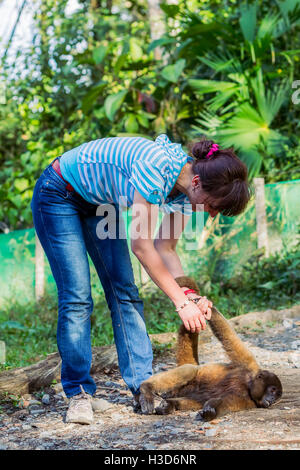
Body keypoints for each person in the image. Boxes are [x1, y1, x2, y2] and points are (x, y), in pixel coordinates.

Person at [30, 134, 251, 424]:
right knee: (77, 297)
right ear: (198, 183)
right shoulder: (156, 167)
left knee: (125, 289)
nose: (210, 215)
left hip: (97, 203)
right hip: (58, 193)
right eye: (212, 206)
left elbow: (165, 248)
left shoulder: (186, 193)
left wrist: (190, 295)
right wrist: (179, 303)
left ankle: (145, 388)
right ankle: (79, 393)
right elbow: (142, 247)